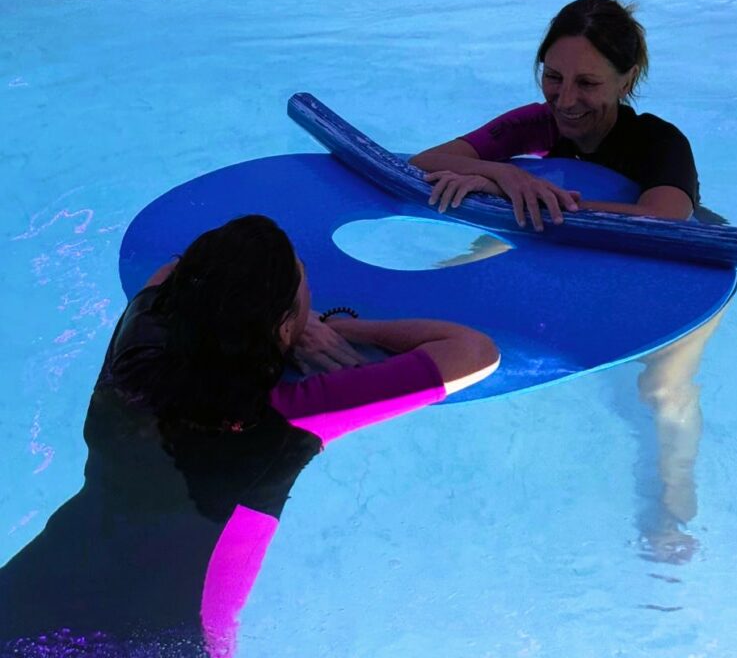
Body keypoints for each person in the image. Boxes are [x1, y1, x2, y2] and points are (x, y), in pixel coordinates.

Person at [0, 216, 499, 657]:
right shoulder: (292, 417)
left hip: (31, 595)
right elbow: (474, 352)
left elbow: (174, 270)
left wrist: (279, 318)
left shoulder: (136, 349)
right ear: (282, 328)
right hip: (165, 640)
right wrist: (342, 331)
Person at [409, 0, 727, 563]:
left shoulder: (658, 142)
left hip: (677, 275)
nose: (565, 99)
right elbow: (417, 165)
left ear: (627, 79)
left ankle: (672, 513)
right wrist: (501, 175)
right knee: (446, 279)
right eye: (553, 77)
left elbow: (665, 221)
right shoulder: (534, 124)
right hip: (563, 248)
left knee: (661, 391)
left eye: (588, 84)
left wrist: (545, 200)